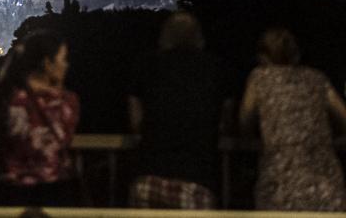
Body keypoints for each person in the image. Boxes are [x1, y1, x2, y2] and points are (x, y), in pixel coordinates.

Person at [126, 12, 230, 210]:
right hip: (196, 178)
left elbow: (135, 120)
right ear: (199, 37)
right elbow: (225, 120)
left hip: (148, 174)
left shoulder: (147, 64)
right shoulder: (214, 67)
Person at [239, 27, 346, 211]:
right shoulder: (317, 78)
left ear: (263, 56)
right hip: (325, 181)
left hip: (279, 182)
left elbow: (245, 119)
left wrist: (254, 137)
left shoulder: (259, 78)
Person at [0, 30, 79, 206]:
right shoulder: (64, 102)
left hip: (9, 190)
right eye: (62, 59)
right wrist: (58, 86)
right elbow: (66, 136)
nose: (66, 65)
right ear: (47, 64)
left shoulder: (5, 97)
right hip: (52, 189)